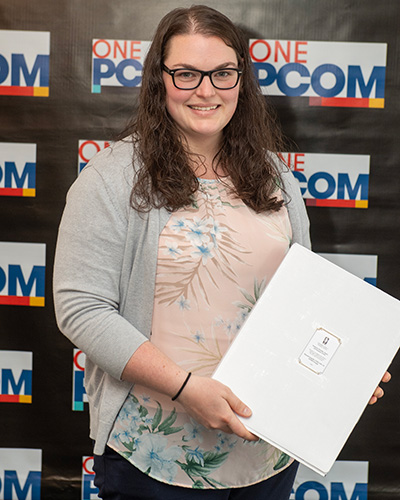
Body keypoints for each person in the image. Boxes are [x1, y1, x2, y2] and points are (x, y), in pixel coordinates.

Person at [53, 5, 390, 499]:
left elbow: (305, 302)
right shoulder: (112, 178)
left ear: (240, 79)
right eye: (186, 73)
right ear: (159, 79)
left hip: (267, 453)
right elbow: (81, 309)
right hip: (155, 455)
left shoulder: (275, 176)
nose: (206, 90)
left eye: (222, 73)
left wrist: (345, 374)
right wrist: (187, 389)